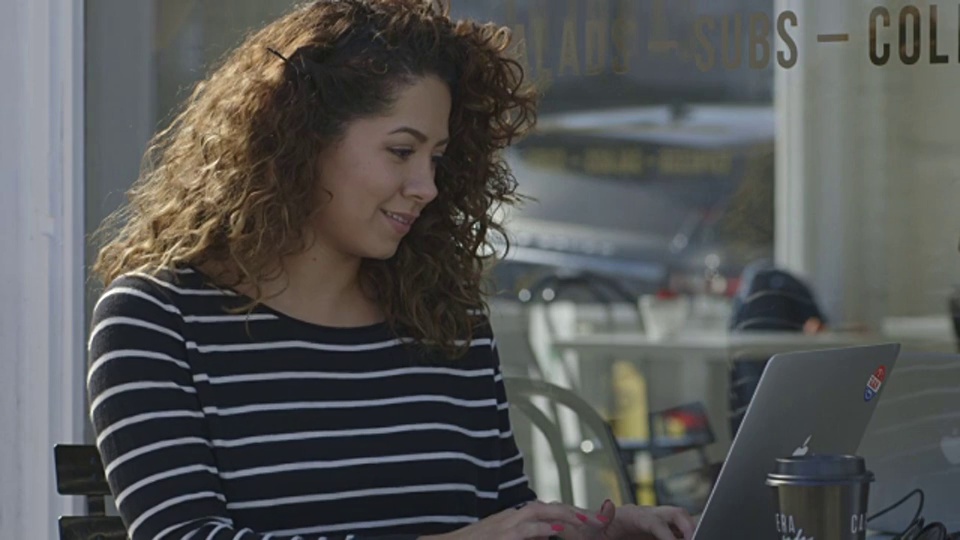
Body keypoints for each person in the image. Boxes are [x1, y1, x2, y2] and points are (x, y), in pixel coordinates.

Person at [87, 1, 696, 538]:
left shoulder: (446, 322)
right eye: (401, 151)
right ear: (299, 139)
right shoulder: (157, 322)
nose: (426, 186)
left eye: (437, 158)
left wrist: (590, 531)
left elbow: (504, 511)